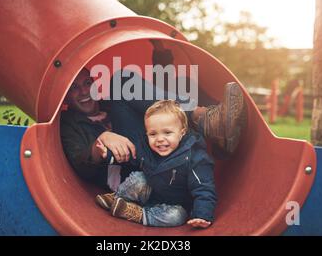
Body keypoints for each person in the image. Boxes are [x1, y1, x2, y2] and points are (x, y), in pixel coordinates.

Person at [60, 42, 246, 192]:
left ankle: (219, 133)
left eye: (87, 83)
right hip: (130, 173)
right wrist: (101, 140)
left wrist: (159, 47)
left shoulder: (111, 105)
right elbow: (80, 163)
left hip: (158, 151)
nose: (84, 91)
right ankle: (207, 120)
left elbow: (155, 90)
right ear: (65, 96)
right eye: (74, 88)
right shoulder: (69, 123)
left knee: (181, 83)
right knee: (120, 80)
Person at [95, 100, 216, 228]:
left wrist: (202, 215)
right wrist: (108, 154)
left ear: (182, 132)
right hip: (150, 193)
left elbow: (204, 188)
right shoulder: (145, 147)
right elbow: (130, 155)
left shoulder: (195, 157)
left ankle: (139, 214)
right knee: (139, 179)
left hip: (175, 204)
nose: (159, 139)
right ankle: (118, 197)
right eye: (153, 134)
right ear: (147, 133)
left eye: (167, 132)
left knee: (177, 216)